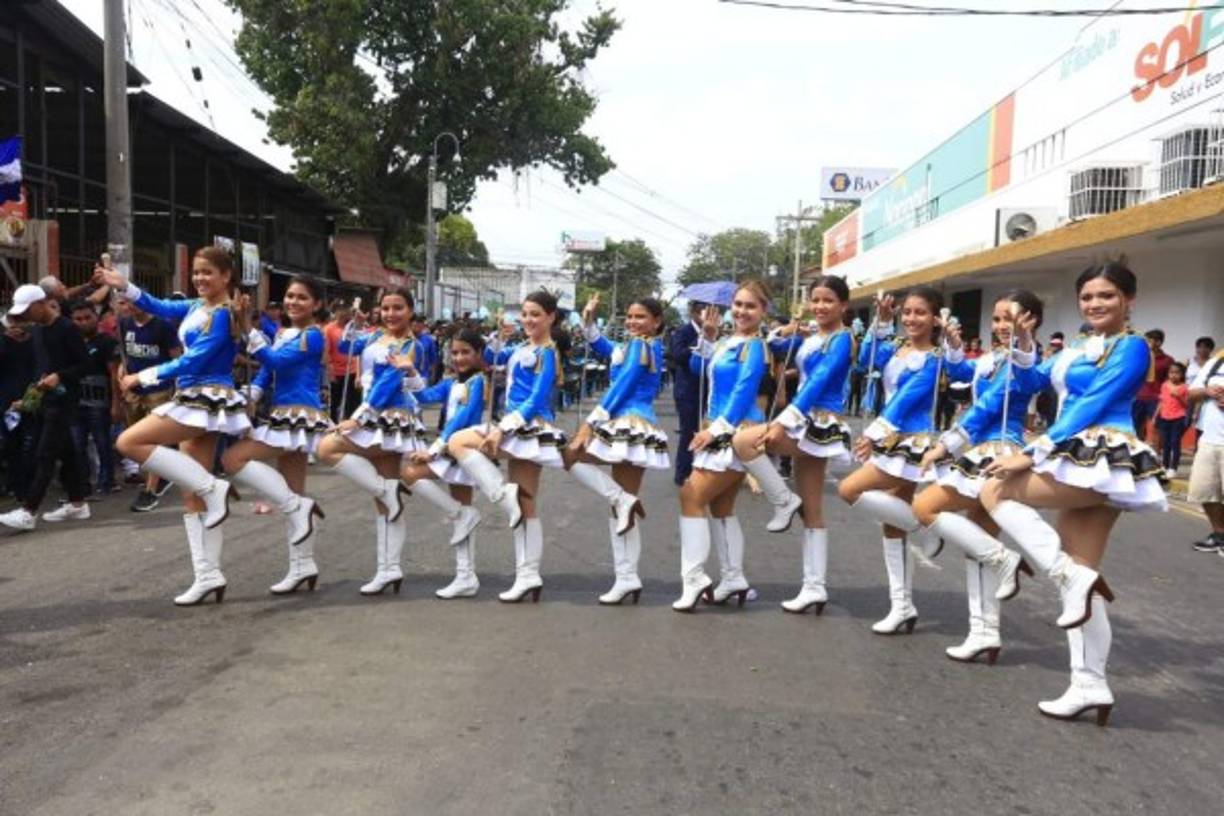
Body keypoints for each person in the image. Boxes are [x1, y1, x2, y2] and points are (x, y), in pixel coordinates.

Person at [980, 261, 1165, 726]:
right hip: (1076, 452)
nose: (1096, 304)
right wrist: (1022, 347)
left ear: (1129, 301)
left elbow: (1092, 403)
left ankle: (1067, 579)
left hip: (1101, 454)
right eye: (1087, 297)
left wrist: (1033, 453)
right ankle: (1090, 683)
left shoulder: (1133, 348)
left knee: (996, 491)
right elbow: (1029, 385)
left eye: (1106, 296)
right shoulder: (1076, 347)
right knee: (1082, 572)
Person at [99, 248, 251, 605]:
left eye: (207, 273)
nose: (199, 279)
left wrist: (141, 377)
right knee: (190, 492)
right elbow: (161, 306)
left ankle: (216, 490)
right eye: (196, 272)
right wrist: (125, 286)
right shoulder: (197, 307)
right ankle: (208, 575)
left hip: (205, 396)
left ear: (226, 276)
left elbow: (194, 359)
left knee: (129, 441)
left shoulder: (226, 313)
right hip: (194, 397)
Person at [912, 290, 1046, 664]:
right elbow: (961, 374)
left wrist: (946, 445)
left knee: (925, 506)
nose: (1002, 326)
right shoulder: (993, 358)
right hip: (981, 448)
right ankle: (985, 633)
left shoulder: (1023, 362)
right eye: (998, 319)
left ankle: (1006, 561)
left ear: (1031, 321)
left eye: (1011, 319)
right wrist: (954, 346)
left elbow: (987, 407)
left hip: (998, 449)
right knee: (978, 546)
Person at [836, 286, 969, 634]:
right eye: (906, 312)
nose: (911, 318)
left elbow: (910, 398)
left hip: (912, 441)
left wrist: (872, 434)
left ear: (936, 318)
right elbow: (866, 361)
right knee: (890, 526)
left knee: (849, 489)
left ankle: (924, 526)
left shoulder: (937, 356)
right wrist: (880, 323)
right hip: (890, 439)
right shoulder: (895, 347)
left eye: (920, 312)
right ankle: (903, 606)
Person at [732, 275, 855, 614]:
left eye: (828, 300)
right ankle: (814, 587)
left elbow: (818, 382)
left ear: (843, 305)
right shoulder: (814, 337)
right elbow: (774, 347)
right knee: (813, 510)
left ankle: (783, 500)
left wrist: (782, 421)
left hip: (817, 419)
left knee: (744, 442)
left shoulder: (842, 339)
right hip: (804, 419)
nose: (819, 306)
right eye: (815, 300)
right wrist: (783, 333)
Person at [448, 291, 569, 603]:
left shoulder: (547, 353)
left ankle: (504, 497)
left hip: (528, 424)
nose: (528, 320)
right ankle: (527, 574)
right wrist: (495, 340)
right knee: (524, 506)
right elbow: (489, 360)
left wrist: (503, 428)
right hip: (515, 425)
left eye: (535, 315)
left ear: (551, 317)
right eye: (525, 314)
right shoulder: (522, 347)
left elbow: (538, 397)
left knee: (459, 441)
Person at [221, 276, 332, 595]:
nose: (293, 302)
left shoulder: (313, 336)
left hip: (299, 413)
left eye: (302, 297)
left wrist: (246, 326)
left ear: (317, 305)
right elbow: (268, 371)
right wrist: (253, 392)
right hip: (282, 413)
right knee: (294, 493)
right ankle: (302, 566)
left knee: (233, 458)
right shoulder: (284, 333)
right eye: (290, 296)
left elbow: (275, 360)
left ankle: (301, 510)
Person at [316, 288, 425, 596]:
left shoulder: (408, 344)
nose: (392, 314)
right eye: (386, 308)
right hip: (375, 414)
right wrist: (355, 321)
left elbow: (390, 383)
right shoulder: (376, 337)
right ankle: (389, 569)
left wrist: (360, 417)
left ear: (411, 310)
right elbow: (347, 344)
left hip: (387, 416)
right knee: (383, 500)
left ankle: (388, 563)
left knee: (328, 446)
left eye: (398, 308)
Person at [565, 293, 670, 605]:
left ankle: (626, 576)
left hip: (629, 421)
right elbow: (606, 348)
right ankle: (627, 577)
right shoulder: (637, 346)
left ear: (656, 322)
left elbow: (622, 385)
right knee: (621, 508)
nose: (633, 322)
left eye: (640, 317)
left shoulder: (643, 346)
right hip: (630, 424)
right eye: (629, 316)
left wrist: (592, 423)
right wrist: (588, 320)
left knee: (569, 454)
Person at [672, 281, 771, 612]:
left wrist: (715, 430)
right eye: (738, 305)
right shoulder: (730, 342)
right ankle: (733, 578)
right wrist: (709, 339)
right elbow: (700, 370)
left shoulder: (755, 347)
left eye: (750, 306)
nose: (742, 311)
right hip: (719, 429)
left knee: (691, 494)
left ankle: (694, 577)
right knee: (721, 508)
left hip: (734, 431)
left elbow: (743, 392)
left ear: (763, 311)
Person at [399, 328, 488, 598]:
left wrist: (435, 449)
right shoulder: (451, 382)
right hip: (448, 448)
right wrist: (410, 372)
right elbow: (425, 396)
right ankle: (466, 576)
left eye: (466, 352)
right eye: (455, 352)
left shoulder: (481, 381)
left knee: (411, 473)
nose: (459, 357)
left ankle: (465, 571)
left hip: (462, 449)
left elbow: (466, 416)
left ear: (479, 354)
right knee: (462, 515)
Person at [0, 285, 93, 531]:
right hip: (44, 400)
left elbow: (85, 364)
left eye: (28, 309)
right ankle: (77, 502)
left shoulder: (67, 328)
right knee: (68, 452)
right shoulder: (38, 333)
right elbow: (38, 371)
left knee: (45, 454)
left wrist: (60, 376)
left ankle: (29, 511)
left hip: (64, 401)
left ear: (42, 303)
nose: (26, 316)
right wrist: (27, 399)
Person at [118, 299, 182, 511]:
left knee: (154, 439)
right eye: (129, 303)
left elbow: (176, 358)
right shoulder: (125, 324)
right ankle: (164, 473)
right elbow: (125, 354)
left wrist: (176, 386)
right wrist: (122, 372)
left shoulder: (163, 326)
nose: (132, 307)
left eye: (136, 303)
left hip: (158, 390)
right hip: (134, 392)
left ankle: (150, 490)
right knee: (137, 440)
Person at [67, 300, 121, 496]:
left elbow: (114, 374)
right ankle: (83, 485)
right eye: (78, 319)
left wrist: (116, 404)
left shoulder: (107, 342)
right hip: (75, 402)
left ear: (96, 318)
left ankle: (107, 481)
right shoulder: (70, 342)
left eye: (87, 318)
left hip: (99, 402)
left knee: (102, 443)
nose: (83, 322)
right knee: (77, 445)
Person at [1187, 344, 1224, 553]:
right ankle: (1219, 534)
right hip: (1209, 439)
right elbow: (1192, 393)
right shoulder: (1216, 362)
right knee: (1205, 491)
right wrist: (1207, 391)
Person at [668, 301, 708, 486]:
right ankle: (683, 473)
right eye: (703, 312)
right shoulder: (683, 332)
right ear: (694, 313)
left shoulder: (713, 332)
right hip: (687, 389)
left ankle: (700, 468)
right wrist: (698, 345)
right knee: (688, 431)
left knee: (703, 430)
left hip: (707, 388)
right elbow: (676, 355)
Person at [324, 300, 361, 423]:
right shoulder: (329, 329)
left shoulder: (353, 327)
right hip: (337, 372)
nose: (344, 312)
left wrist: (358, 374)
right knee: (335, 403)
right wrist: (330, 371)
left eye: (346, 309)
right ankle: (334, 426)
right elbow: (326, 352)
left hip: (353, 370)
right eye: (340, 309)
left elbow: (358, 349)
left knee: (354, 403)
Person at [1132, 328, 1172, 437]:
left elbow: (1169, 381)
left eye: (1149, 340)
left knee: (1157, 427)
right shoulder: (1139, 357)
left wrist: (1164, 397)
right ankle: (1137, 450)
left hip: (1156, 398)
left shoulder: (1167, 360)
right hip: (1138, 396)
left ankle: (1156, 451)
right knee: (1135, 426)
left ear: (1158, 342)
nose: (1145, 343)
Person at [1155, 362, 1190, 479]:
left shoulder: (1184, 387)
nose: (1174, 375)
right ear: (1168, 374)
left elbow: (1187, 405)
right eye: (1171, 372)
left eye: (1177, 373)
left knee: (1175, 442)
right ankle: (1164, 466)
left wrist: (1178, 396)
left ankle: (1173, 468)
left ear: (1182, 374)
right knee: (1166, 443)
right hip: (1165, 417)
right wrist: (1155, 416)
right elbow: (1161, 401)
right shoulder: (1164, 385)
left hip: (1178, 418)